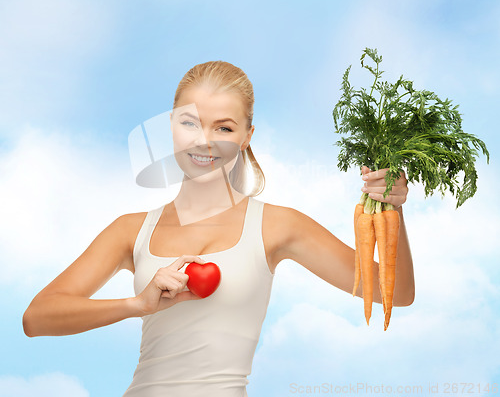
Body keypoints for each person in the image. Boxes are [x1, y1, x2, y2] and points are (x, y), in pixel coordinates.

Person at [22, 61, 414, 397]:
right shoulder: (130, 230)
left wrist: (392, 212)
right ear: (171, 126)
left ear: (246, 137)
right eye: (189, 122)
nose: (204, 141)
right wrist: (136, 305)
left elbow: (397, 294)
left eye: (224, 128)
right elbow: (37, 318)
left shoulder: (277, 226)